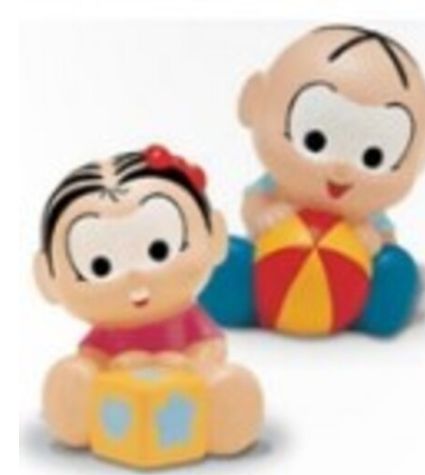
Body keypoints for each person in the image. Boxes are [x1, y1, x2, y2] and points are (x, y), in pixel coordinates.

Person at [201, 25, 425, 335]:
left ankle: (379, 310)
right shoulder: (272, 189)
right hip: (271, 274)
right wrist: (262, 215)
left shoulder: (367, 215)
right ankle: (238, 300)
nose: (341, 171)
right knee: (230, 256)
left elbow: (385, 237)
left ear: (423, 154)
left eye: (373, 157)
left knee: (395, 268)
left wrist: (373, 241)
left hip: (347, 290)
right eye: (315, 140)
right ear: (254, 103)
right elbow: (254, 204)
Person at [35, 144, 263, 453]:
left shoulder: (188, 320)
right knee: (80, 373)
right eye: (100, 267)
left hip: (189, 390)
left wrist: (194, 364)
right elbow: (93, 354)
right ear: (47, 277)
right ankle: (75, 409)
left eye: (159, 251)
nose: (135, 277)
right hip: (115, 400)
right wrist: (97, 369)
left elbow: (211, 346)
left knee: (217, 383)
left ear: (215, 237)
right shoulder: (107, 333)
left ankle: (227, 412)